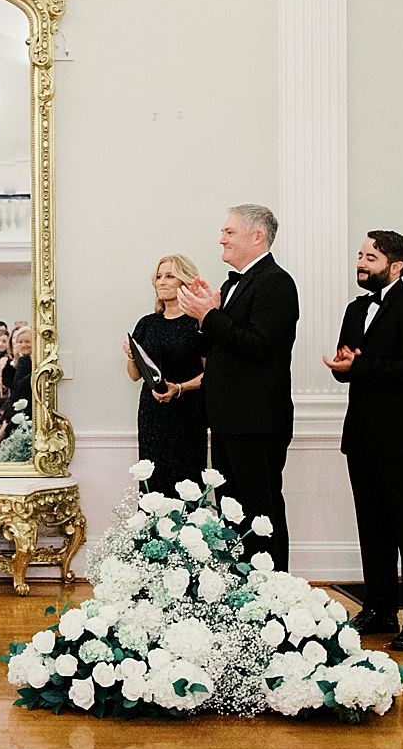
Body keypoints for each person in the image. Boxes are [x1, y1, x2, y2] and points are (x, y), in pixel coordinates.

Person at [323, 231, 403, 651]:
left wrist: (360, 365)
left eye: (370, 257)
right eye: (360, 255)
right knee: (371, 526)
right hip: (362, 433)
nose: (361, 262)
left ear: (396, 266)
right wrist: (342, 367)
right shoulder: (357, 308)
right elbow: (350, 364)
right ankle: (379, 608)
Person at [178, 205, 299, 572]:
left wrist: (210, 316)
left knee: (260, 512)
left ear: (257, 236)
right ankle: (239, 594)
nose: (222, 239)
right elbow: (213, 348)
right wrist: (206, 317)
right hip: (229, 418)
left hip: (257, 419)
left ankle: (271, 591)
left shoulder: (275, 283)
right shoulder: (235, 284)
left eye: (229, 232)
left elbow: (258, 345)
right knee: (231, 510)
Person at [122, 254, 208, 490]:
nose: (162, 281)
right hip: (152, 415)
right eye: (159, 276)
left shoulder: (198, 323)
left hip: (188, 414)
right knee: (153, 484)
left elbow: (210, 374)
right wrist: (132, 356)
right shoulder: (147, 324)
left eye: (170, 276)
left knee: (186, 484)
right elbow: (134, 375)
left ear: (185, 282)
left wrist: (179, 388)